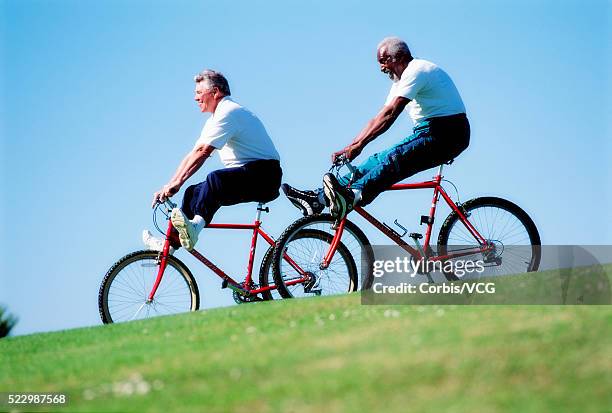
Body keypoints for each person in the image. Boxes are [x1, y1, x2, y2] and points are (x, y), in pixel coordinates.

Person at [283, 37, 470, 224]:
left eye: (384, 60)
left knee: (394, 159)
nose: (381, 68)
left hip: (448, 132)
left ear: (399, 56)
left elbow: (390, 114)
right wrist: (352, 146)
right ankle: (319, 199)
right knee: (376, 160)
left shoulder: (417, 70)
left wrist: (360, 145)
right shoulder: (401, 81)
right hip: (429, 131)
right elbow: (378, 117)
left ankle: (352, 195)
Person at [145, 70, 282, 252]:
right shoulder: (215, 118)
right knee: (193, 192)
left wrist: (177, 182)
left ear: (215, 92)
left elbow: (204, 152)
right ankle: (170, 245)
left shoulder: (229, 112)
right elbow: (193, 153)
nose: (195, 98)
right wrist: (170, 184)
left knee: (215, 180)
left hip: (265, 175)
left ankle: (195, 228)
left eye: (199, 93)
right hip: (249, 173)